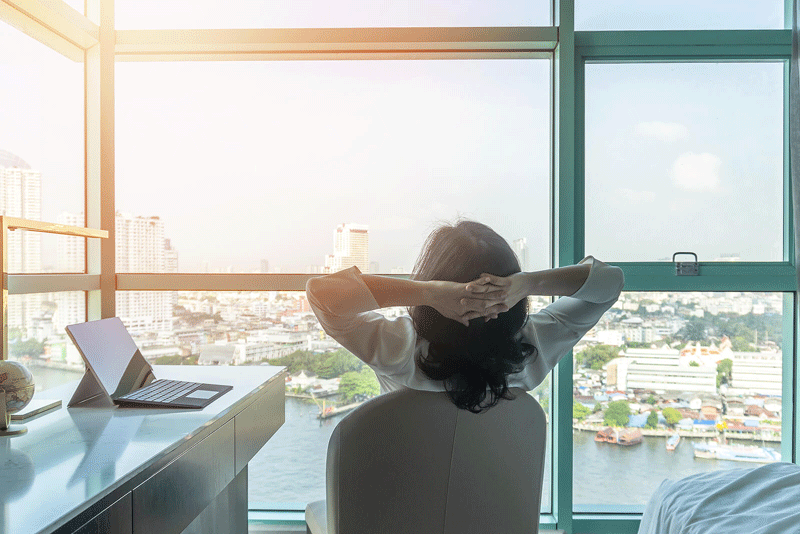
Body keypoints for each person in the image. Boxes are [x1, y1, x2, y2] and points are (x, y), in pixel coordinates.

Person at [306, 220, 624, 413]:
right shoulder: (532, 352)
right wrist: (527, 283)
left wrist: (428, 293)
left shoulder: (399, 350)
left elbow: (322, 293)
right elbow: (610, 282)